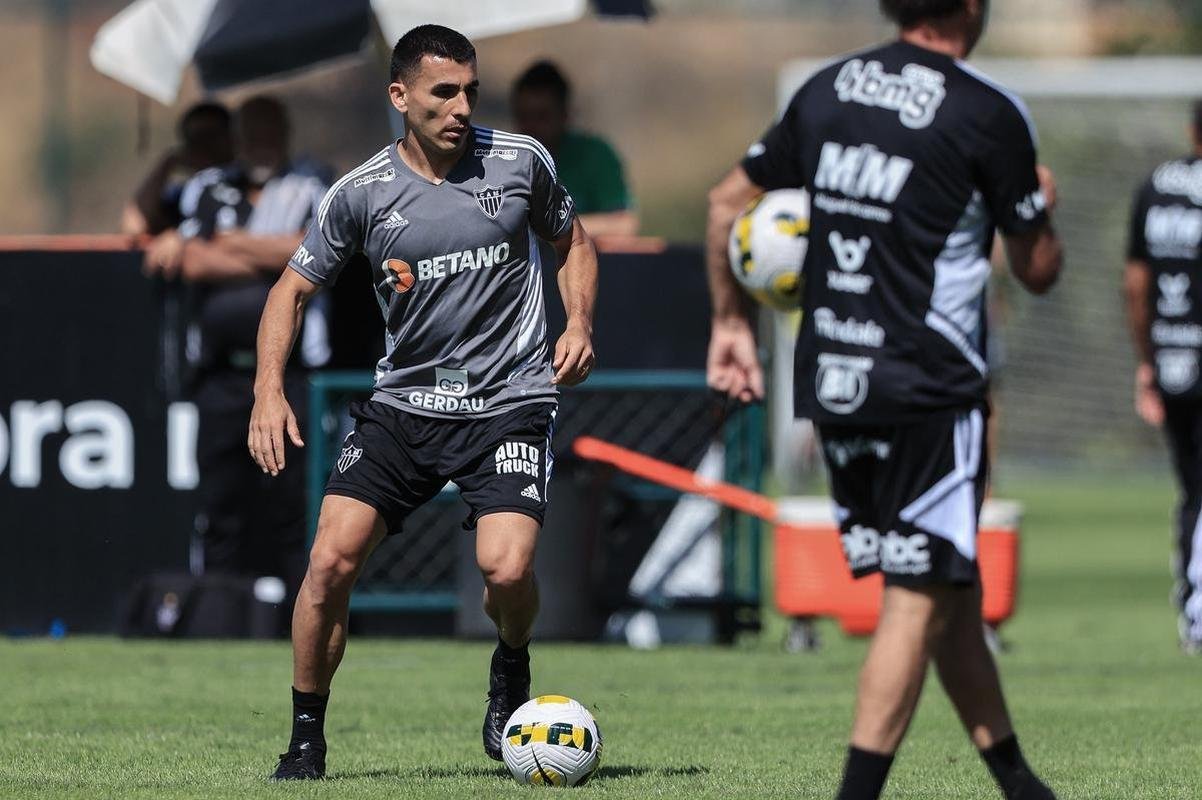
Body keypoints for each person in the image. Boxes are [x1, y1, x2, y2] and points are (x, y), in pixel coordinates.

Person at [704, 2, 1063, 799]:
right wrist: (1044, 204)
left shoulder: (828, 91)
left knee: (944, 589)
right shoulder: (986, 111)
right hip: (928, 389)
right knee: (916, 596)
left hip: (834, 384)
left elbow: (726, 201)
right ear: (970, 8)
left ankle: (1020, 784)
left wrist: (731, 324)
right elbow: (1038, 269)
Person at [249, 25, 597, 780]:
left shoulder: (520, 161)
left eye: (471, 90)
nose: (462, 105)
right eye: (444, 92)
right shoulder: (362, 193)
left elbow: (573, 242)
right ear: (400, 96)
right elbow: (291, 289)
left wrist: (580, 322)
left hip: (511, 397)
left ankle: (511, 665)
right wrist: (267, 391)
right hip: (404, 408)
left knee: (504, 571)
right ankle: (306, 736)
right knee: (329, 563)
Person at [148, 95, 331, 616]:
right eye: (252, 132)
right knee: (221, 501)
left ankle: (305, 616)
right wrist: (269, 254)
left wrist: (232, 245)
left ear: (287, 131)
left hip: (294, 376)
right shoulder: (208, 187)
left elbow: (315, 252)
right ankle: (218, 615)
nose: (261, 143)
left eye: (271, 130)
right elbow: (193, 263)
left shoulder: (314, 184)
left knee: (293, 502)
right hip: (222, 379)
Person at [1124, 100, 1202, 655]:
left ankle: (1190, 608)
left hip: (1172, 356)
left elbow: (1135, 284)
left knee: (1193, 488)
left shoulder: (1156, 186)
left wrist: (1148, 360)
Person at [511, 60, 638, 237]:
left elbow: (624, 225)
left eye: (542, 116)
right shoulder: (507, 161)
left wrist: (554, 227)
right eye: (524, 116)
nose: (532, 127)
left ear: (564, 114)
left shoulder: (595, 155)